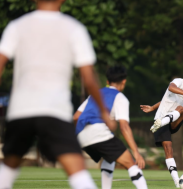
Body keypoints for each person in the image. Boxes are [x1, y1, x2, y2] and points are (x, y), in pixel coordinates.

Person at [0, 0, 116, 189]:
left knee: (8, 169)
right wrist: (103, 111)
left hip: (21, 110)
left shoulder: (17, 26)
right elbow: (88, 78)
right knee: (78, 172)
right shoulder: (74, 29)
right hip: (54, 111)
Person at [73, 66, 148, 189]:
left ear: (107, 82)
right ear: (124, 81)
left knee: (110, 158)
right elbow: (124, 126)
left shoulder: (94, 95)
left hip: (81, 135)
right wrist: (136, 152)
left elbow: (76, 117)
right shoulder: (120, 97)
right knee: (131, 164)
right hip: (98, 133)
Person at [140, 63, 183, 188]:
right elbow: (170, 88)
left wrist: (152, 107)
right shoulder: (178, 82)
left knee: (181, 109)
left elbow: (170, 101)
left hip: (171, 121)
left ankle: (162, 123)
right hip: (161, 119)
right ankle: (177, 181)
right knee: (168, 150)